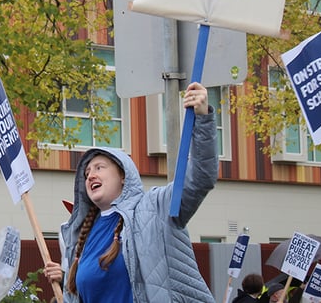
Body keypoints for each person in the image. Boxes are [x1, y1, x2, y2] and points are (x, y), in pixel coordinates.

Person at [43, 82, 217, 302]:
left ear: (123, 175)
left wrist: (202, 118)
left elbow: (200, 178)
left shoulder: (154, 207)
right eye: (87, 173)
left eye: (99, 168)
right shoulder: (82, 236)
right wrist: (65, 280)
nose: (91, 176)